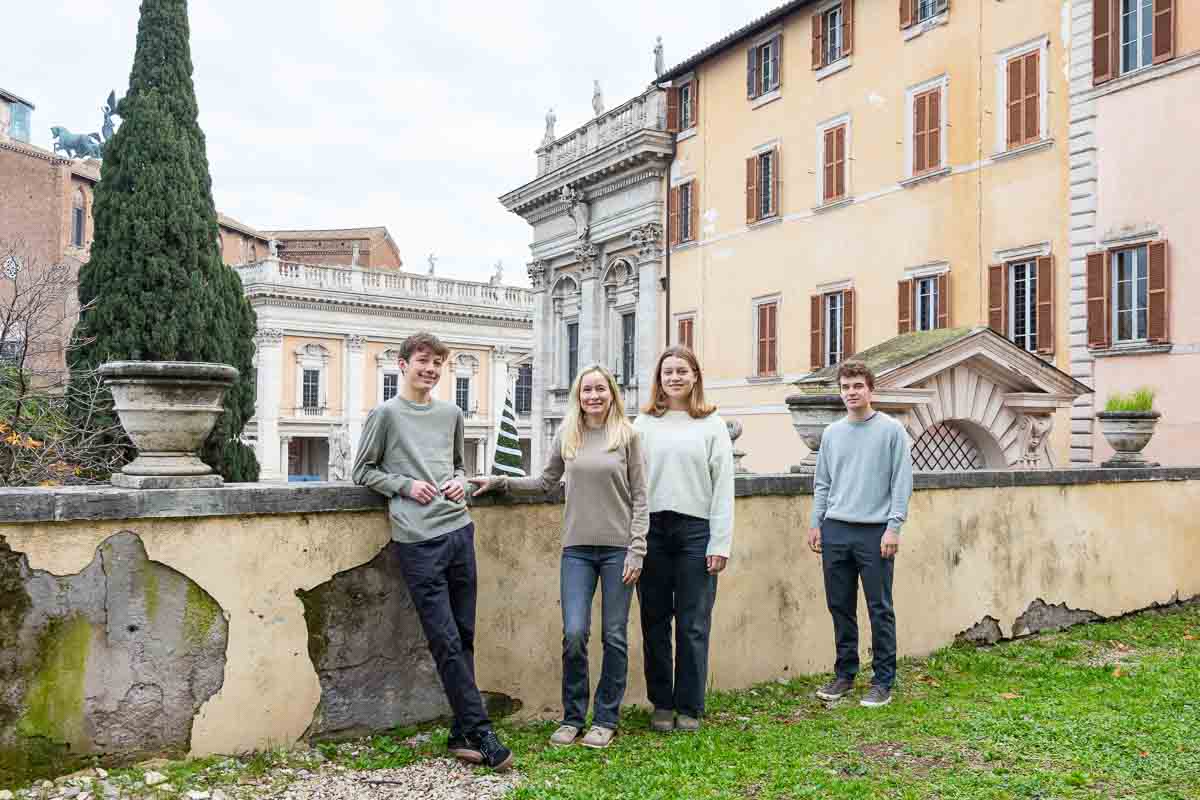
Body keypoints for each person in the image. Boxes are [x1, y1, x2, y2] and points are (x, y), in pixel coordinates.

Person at [352, 332, 513, 771]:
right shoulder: (385, 415)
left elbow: (455, 464)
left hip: (459, 530)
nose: (431, 369)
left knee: (463, 634)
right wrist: (404, 485)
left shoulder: (451, 413)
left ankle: (461, 731)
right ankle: (480, 731)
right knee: (443, 638)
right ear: (403, 365)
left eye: (438, 363)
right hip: (417, 540)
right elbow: (362, 470)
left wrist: (461, 480)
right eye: (423, 361)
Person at [470, 364, 647, 749]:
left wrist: (637, 549)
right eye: (587, 390)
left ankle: (605, 718)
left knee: (614, 635)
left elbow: (640, 497)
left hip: (619, 551)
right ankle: (572, 716)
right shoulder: (568, 435)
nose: (594, 396)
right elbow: (545, 482)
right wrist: (500, 481)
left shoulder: (628, 436)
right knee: (574, 633)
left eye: (601, 389)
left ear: (611, 393)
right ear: (578, 396)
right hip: (577, 551)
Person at [633, 346, 734, 732]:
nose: (674, 377)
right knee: (654, 620)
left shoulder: (712, 425)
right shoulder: (643, 424)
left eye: (681, 371)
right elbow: (631, 484)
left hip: (697, 531)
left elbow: (723, 488)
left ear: (695, 376)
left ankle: (690, 705)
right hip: (652, 531)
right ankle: (662, 703)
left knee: (694, 623)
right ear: (659, 379)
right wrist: (634, 539)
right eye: (667, 372)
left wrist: (719, 543)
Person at [807, 360, 913, 708]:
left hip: (875, 532)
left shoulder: (891, 430)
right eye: (846, 387)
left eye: (857, 386)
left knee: (879, 607)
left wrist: (893, 527)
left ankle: (883, 681)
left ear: (871, 389)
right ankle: (845, 674)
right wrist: (816, 523)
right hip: (836, 529)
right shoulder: (833, 434)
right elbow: (822, 483)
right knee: (840, 605)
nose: (851, 393)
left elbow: (901, 482)